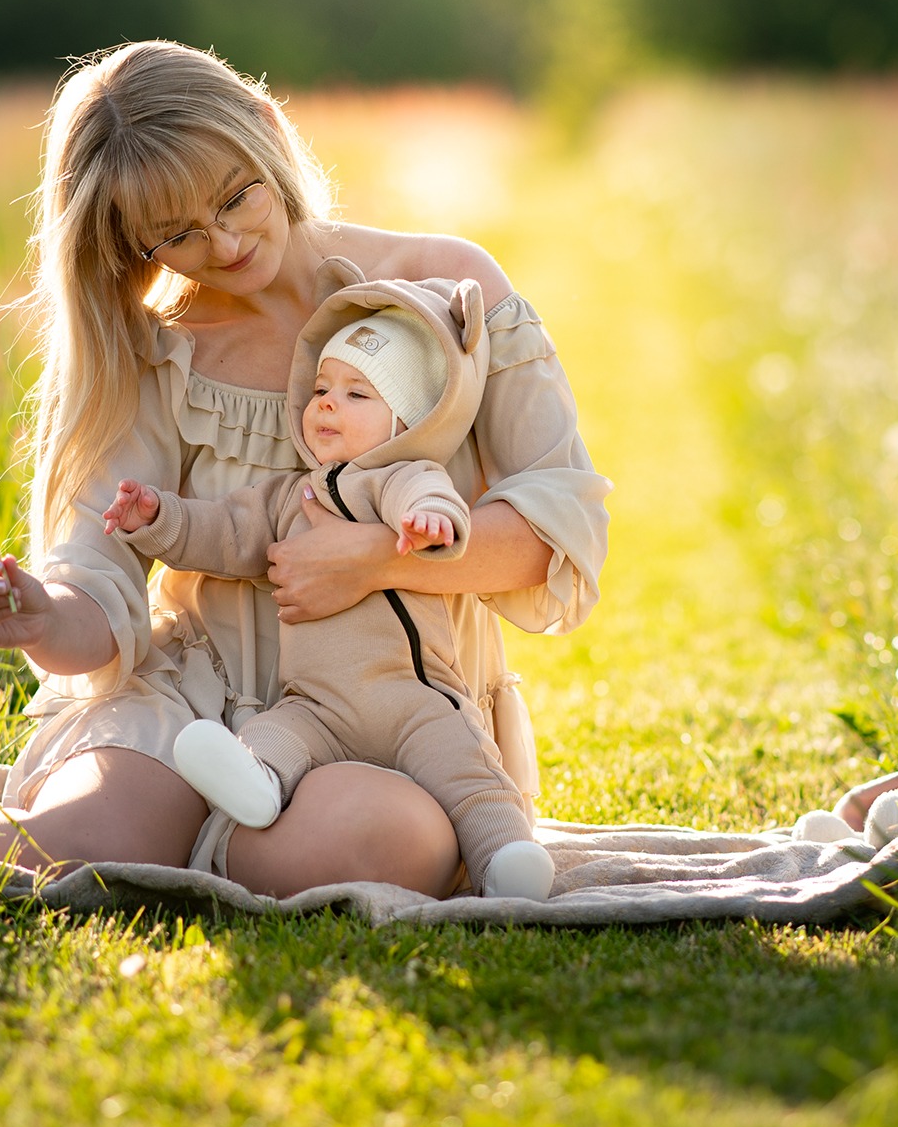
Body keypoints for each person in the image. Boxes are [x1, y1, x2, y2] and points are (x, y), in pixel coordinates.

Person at [0, 40, 609, 898]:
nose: (222, 243)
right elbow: (98, 595)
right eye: (177, 233)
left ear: (266, 129)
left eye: (234, 196)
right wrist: (39, 614)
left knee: (383, 842)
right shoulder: (156, 353)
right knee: (81, 842)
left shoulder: (446, 289)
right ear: (132, 240)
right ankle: (135, 812)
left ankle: (194, 839)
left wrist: (374, 556)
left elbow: (553, 534)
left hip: (391, 709)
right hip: (191, 705)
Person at [102, 282, 557, 901]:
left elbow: (434, 501)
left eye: (355, 394)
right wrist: (160, 518)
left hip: (414, 699)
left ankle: (508, 858)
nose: (326, 407)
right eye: (320, 391)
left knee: (468, 771)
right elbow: (228, 533)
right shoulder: (295, 496)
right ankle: (253, 781)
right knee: (275, 736)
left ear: (404, 419)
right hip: (317, 704)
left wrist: (431, 521)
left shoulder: (403, 478)